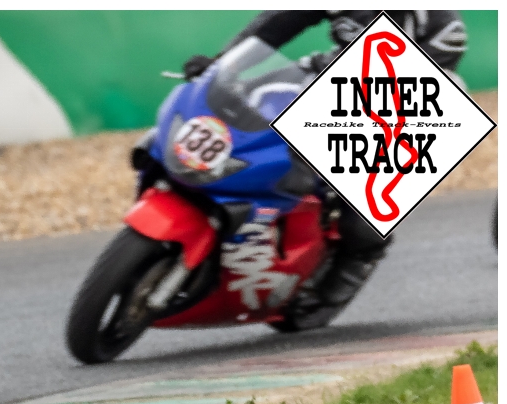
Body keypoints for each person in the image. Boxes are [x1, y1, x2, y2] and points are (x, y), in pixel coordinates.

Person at [180, 11, 467, 313]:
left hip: (419, 94)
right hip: (346, 67)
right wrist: (223, 63)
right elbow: (279, 24)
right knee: (252, 98)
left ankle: (362, 255)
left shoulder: (419, 17)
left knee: (365, 196)